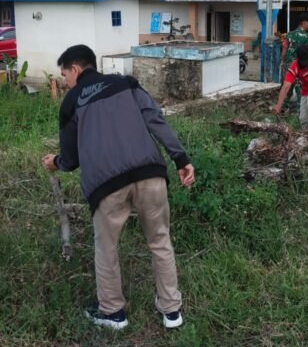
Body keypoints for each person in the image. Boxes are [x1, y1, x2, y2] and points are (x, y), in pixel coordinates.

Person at [41, 44, 195, 330]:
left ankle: (113, 313)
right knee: (160, 240)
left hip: (106, 184)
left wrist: (56, 162)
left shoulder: (71, 102)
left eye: (65, 75)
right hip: (150, 174)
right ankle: (172, 311)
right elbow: (155, 119)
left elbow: (71, 159)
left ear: (75, 69)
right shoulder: (125, 83)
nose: (65, 82)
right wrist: (181, 158)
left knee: (107, 248)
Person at [279, 18, 308, 108]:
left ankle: (283, 106)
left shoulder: (289, 35)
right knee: (300, 85)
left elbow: (284, 49)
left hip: (289, 64)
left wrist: (282, 61)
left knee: (287, 85)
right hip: (301, 64)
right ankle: (300, 107)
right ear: (303, 22)